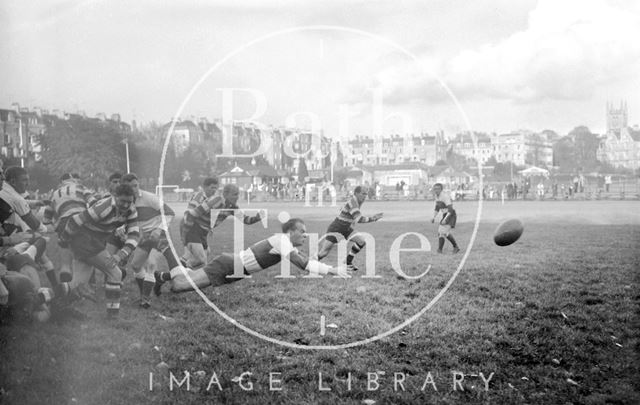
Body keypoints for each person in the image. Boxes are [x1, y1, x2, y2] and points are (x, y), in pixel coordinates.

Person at [153, 218, 346, 294]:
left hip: (232, 268)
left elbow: (304, 259)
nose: (304, 235)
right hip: (228, 266)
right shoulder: (282, 241)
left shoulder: (283, 242)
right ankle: (165, 247)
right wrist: (332, 270)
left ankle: (161, 276)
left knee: (183, 281)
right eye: (301, 231)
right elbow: (303, 264)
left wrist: (318, 262)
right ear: (290, 231)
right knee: (178, 286)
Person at [53, 184, 140, 319]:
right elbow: (75, 220)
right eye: (122, 201)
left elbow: (134, 236)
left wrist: (120, 255)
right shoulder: (104, 208)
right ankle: (112, 318)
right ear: (115, 197)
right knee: (115, 273)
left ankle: (44, 297)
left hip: (92, 241)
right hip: (83, 239)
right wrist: (64, 240)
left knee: (78, 283)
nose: (126, 205)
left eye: (129, 201)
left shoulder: (131, 210)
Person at [120, 173, 174, 308]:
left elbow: (169, 213)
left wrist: (159, 229)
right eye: (130, 187)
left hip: (158, 234)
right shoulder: (125, 202)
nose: (134, 189)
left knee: (151, 264)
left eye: (135, 185)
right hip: (143, 237)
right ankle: (145, 293)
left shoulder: (149, 198)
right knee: (136, 265)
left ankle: (145, 300)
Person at [316, 186, 383, 271]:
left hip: (346, 228)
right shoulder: (353, 202)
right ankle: (310, 265)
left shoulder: (357, 201)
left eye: (366, 194)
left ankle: (347, 262)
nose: (365, 196)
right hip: (336, 228)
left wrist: (350, 221)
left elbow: (346, 211)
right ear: (356, 193)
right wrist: (373, 218)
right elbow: (359, 219)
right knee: (323, 253)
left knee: (361, 241)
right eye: (363, 194)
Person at [180, 177, 221, 267]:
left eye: (215, 188)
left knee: (204, 254)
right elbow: (189, 215)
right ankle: (176, 272)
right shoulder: (198, 198)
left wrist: (209, 227)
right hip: (190, 226)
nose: (214, 190)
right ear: (205, 187)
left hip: (199, 228)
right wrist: (185, 233)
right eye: (212, 188)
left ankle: (183, 270)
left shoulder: (210, 198)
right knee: (199, 259)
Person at [431, 183, 460, 254]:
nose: (436, 190)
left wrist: (445, 219)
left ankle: (441, 249)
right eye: (435, 189)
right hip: (445, 215)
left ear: (441, 189)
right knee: (443, 232)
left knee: (442, 232)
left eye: (438, 189)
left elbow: (450, 209)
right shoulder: (436, 196)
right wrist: (433, 217)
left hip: (450, 215)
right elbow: (437, 207)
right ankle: (453, 247)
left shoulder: (445, 196)